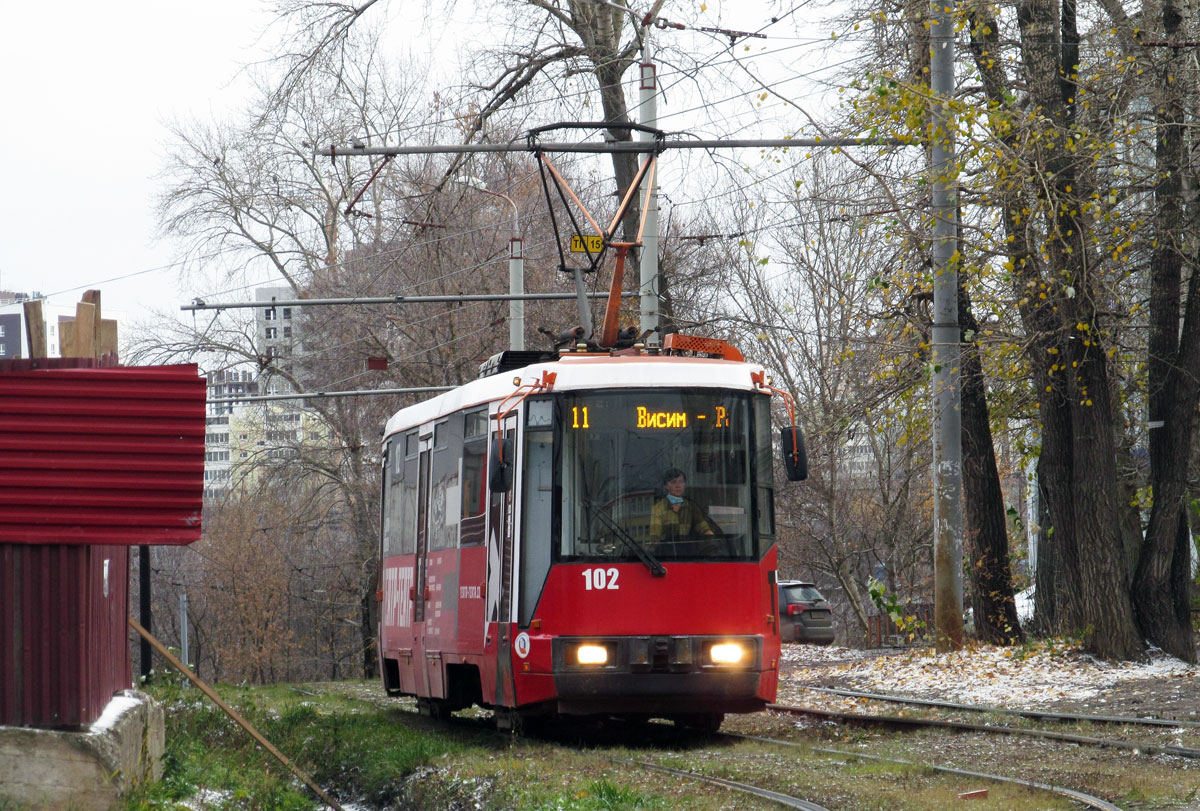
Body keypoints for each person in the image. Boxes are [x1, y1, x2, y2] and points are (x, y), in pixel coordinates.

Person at [649, 468, 721, 544]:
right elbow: (655, 536)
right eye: (673, 482)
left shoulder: (691, 506)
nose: (678, 485)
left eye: (681, 482)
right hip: (667, 553)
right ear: (666, 486)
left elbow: (703, 528)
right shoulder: (659, 508)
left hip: (688, 552)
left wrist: (715, 540)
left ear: (685, 485)